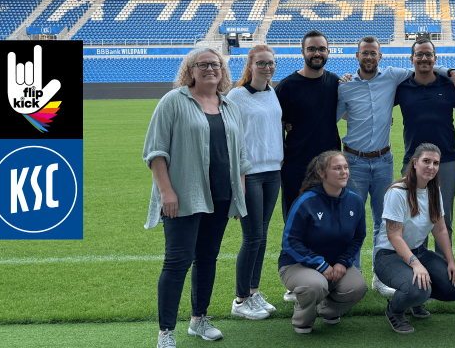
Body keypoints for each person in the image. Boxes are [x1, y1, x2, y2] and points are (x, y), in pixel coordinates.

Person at [337, 35, 455, 297]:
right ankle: (360, 276)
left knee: (428, 218)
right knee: (369, 219)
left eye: (374, 53)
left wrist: (450, 70)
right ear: (358, 56)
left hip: (420, 159)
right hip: (383, 161)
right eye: (365, 53)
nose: (424, 59)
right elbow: (342, 112)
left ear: (381, 57)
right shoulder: (382, 85)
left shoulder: (421, 80)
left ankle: (436, 272)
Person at [143, 48, 250, 348]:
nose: (210, 69)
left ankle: (198, 319)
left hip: (220, 197)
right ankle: (166, 331)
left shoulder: (228, 106)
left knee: (207, 259)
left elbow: (240, 158)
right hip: (184, 197)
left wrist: (238, 198)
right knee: (177, 262)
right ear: (190, 71)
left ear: (223, 71)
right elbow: (155, 152)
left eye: (215, 65)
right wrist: (166, 192)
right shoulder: (173, 101)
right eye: (202, 65)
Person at [275, 30, 342, 301]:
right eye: (312, 49)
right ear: (303, 52)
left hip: (329, 168)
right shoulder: (288, 86)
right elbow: (275, 123)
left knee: (328, 225)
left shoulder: (335, 82)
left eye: (322, 49)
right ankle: (296, 282)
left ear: (329, 52)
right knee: (296, 224)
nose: (317, 53)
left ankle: (326, 279)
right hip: (296, 167)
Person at [373, 143, 455, 334]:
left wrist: (451, 262)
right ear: (415, 163)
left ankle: (416, 301)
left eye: (435, 163)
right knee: (417, 289)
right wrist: (416, 264)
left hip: (418, 251)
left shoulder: (434, 190)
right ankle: (395, 311)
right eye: (426, 161)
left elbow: (440, 230)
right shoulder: (397, 192)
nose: (431, 167)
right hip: (388, 256)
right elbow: (394, 236)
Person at [278, 151, 368, 334]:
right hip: (298, 264)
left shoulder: (355, 201)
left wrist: (343, 262)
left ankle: (327, 310)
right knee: (315, 285)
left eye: (345, 167)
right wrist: (320, 264)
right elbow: (290, 241)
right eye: (337, 168)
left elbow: (358, 237)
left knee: (358, 287)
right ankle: (303, 320)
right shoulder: (305, 201)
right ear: (321, 173)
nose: (343, 172)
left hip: (335, 264)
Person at [394, 38, 455, 258]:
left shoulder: (449, 85)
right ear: (412, 59)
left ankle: (443, 269)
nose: (424, 58)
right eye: (419, 54)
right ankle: (420, 269)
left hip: (446, 160)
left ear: (435, 58)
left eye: (428, 54)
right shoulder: (402, 87)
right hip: (413, 161)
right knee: (415, 216)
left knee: (444, 216)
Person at [226, 45, 282, 320]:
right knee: (252, 237)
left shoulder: (272, 92)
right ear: (250, 64)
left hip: (273, 171)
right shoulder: (236, 96)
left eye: (271, 62)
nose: (267, 67)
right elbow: (229, 139)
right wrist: (238, 181)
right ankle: (240, 299)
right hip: (250, 173)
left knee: (262, 237)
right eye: (261, 63)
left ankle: (253, 290)